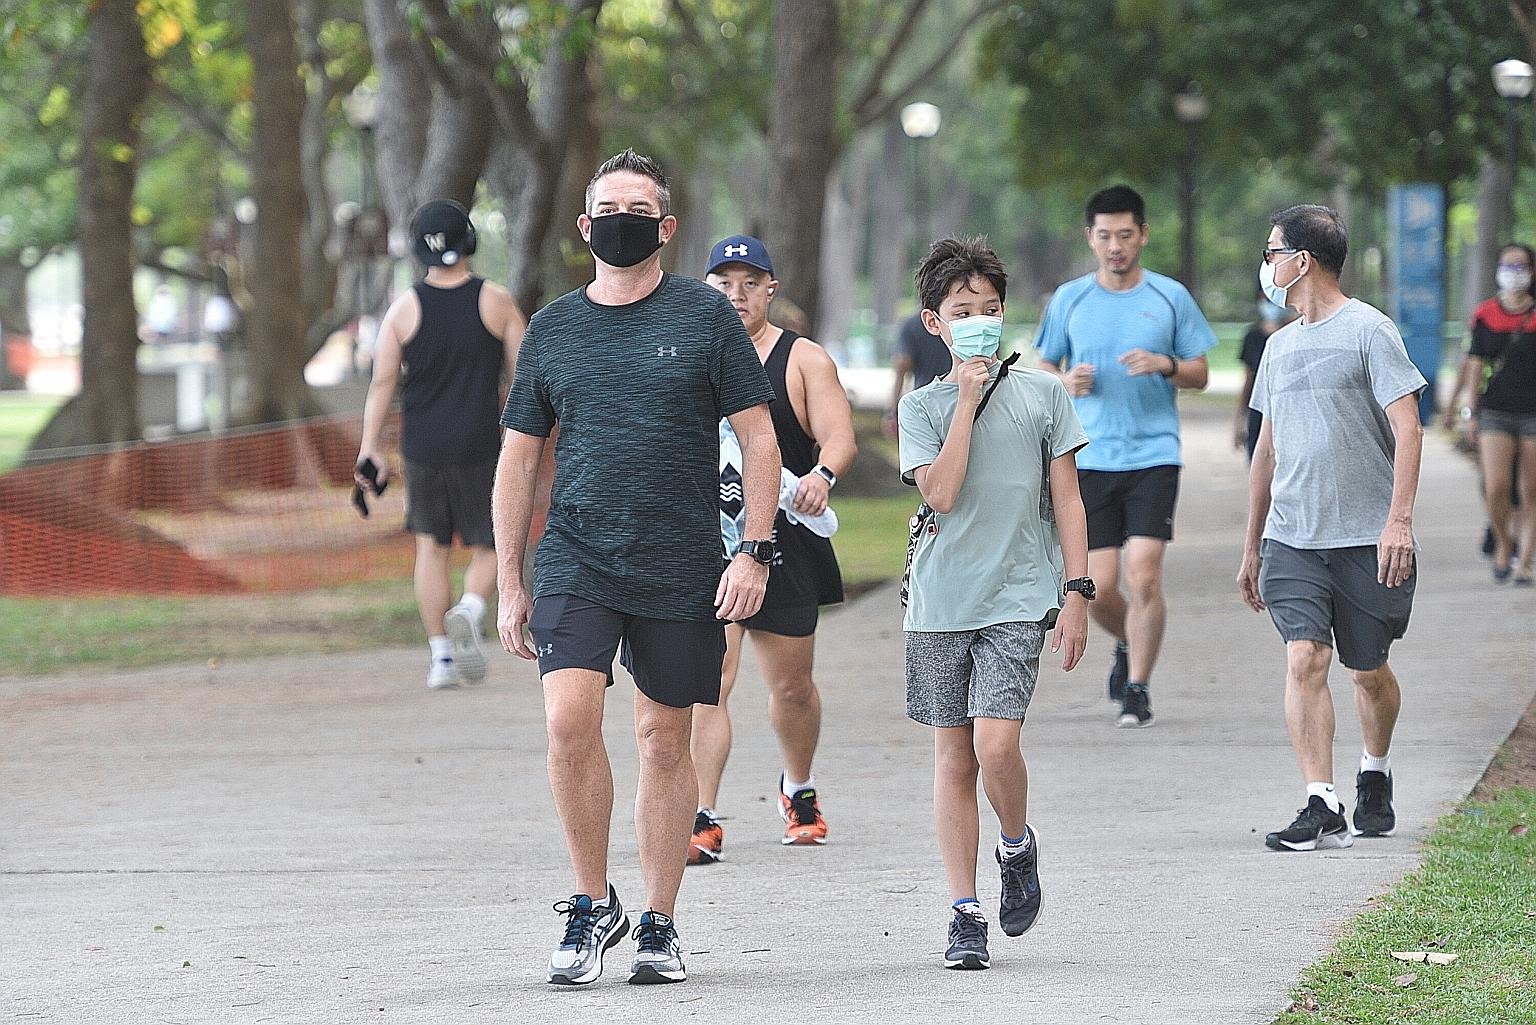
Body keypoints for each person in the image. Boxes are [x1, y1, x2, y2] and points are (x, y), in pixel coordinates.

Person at [492, 149, 780, 987]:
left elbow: (759, 439)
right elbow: (518, 460)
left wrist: (754, 549)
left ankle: (659, 921)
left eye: (639, 207)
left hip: (680, 559)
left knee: (663, 739)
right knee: (566, 721)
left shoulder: (704, 318)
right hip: (577, 556)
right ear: (585, 227)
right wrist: (512, 577)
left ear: (666, 225)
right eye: (607, 207)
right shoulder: (552, 328)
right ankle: (591, 902)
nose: (622, 219)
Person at [898, 236, 1091, 971]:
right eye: (961, 311)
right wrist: (967, 399)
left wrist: (1076, 592)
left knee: (995, 745)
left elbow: (1068, 502)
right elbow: (940, 493)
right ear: (933, 323)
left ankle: (1016, 843)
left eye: (990, 309)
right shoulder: (921, 407)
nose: (979, 320)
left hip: (1020, 595)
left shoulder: (1044, 394)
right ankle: (963, 910)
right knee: (953, 758)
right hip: (941, 602)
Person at [1236, 204, 1425, 852]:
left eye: (1271, 252)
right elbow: (1266, 448)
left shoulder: (1371, 331)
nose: (1266, 265)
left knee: (1367, 670)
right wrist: (1252, 543)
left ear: (1302, 261)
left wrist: (1398, 520)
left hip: (1367, 536)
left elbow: (1409, 426)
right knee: (1305, 655)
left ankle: (1374, 768)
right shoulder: (1277, 346)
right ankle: (1322, 799)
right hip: (1294, 535)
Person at [688, 235, 857, 864]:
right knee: (711, 680)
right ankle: (699, 813)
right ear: (707, 287)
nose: (736, 294)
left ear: (770, 289)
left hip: (786, 538)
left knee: (792, 688)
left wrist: (822, 476)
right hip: (710, 543)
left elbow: (838, 437)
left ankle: (798, 785)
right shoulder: (688, 356)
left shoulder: (802, 359)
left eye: (749, 282)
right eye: (724, 282)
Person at [1036, 185, 1215, 728]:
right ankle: (1127, 645)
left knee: (1146, 575)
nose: (1115, 246)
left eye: (1126, 235)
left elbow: (1201, 373)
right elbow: (1040, 368)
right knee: (1097, 587)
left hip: (1154, 453)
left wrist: (1164, 363)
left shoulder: (1169, 297)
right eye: (1105, 235)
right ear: (1090, 238)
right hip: (1088, 457)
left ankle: (1137, 687)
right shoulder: (1070, 299)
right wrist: (1065, 381)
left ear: (1143, 235)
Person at [355, 199, 525, 690]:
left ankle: (441, 659)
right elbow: (525, 376)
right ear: (468, 241)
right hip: (482, 442)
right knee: (491, 543)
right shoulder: (496, 302)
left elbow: (382, 384)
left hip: (423, 445)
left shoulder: (404, 309)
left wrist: (370, 447)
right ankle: (471, 607)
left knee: (430, 547)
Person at [1444, 243, 1536, 584]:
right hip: (1495, 412)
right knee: (1496, 486)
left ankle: (1525, 562)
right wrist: (1470, 412)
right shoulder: (1485, 314)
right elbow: (1473, 365)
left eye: (1520, 266)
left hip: (1532, 413)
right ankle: (1503, 540)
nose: (1513, 273)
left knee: (1531, 490)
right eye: (1507, 265)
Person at [1236, 298, 1295, 458]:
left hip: (1292, 415)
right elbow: (1248, 381)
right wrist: (1240, 420)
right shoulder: (1254, 337)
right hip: (1260, 414)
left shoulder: (1301, 334)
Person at [885, 310, 955, 436]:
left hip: (925, 404)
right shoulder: (966, 322)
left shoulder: (912, 325)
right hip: (962, 397)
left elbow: (902, 366)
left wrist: (892, 412)